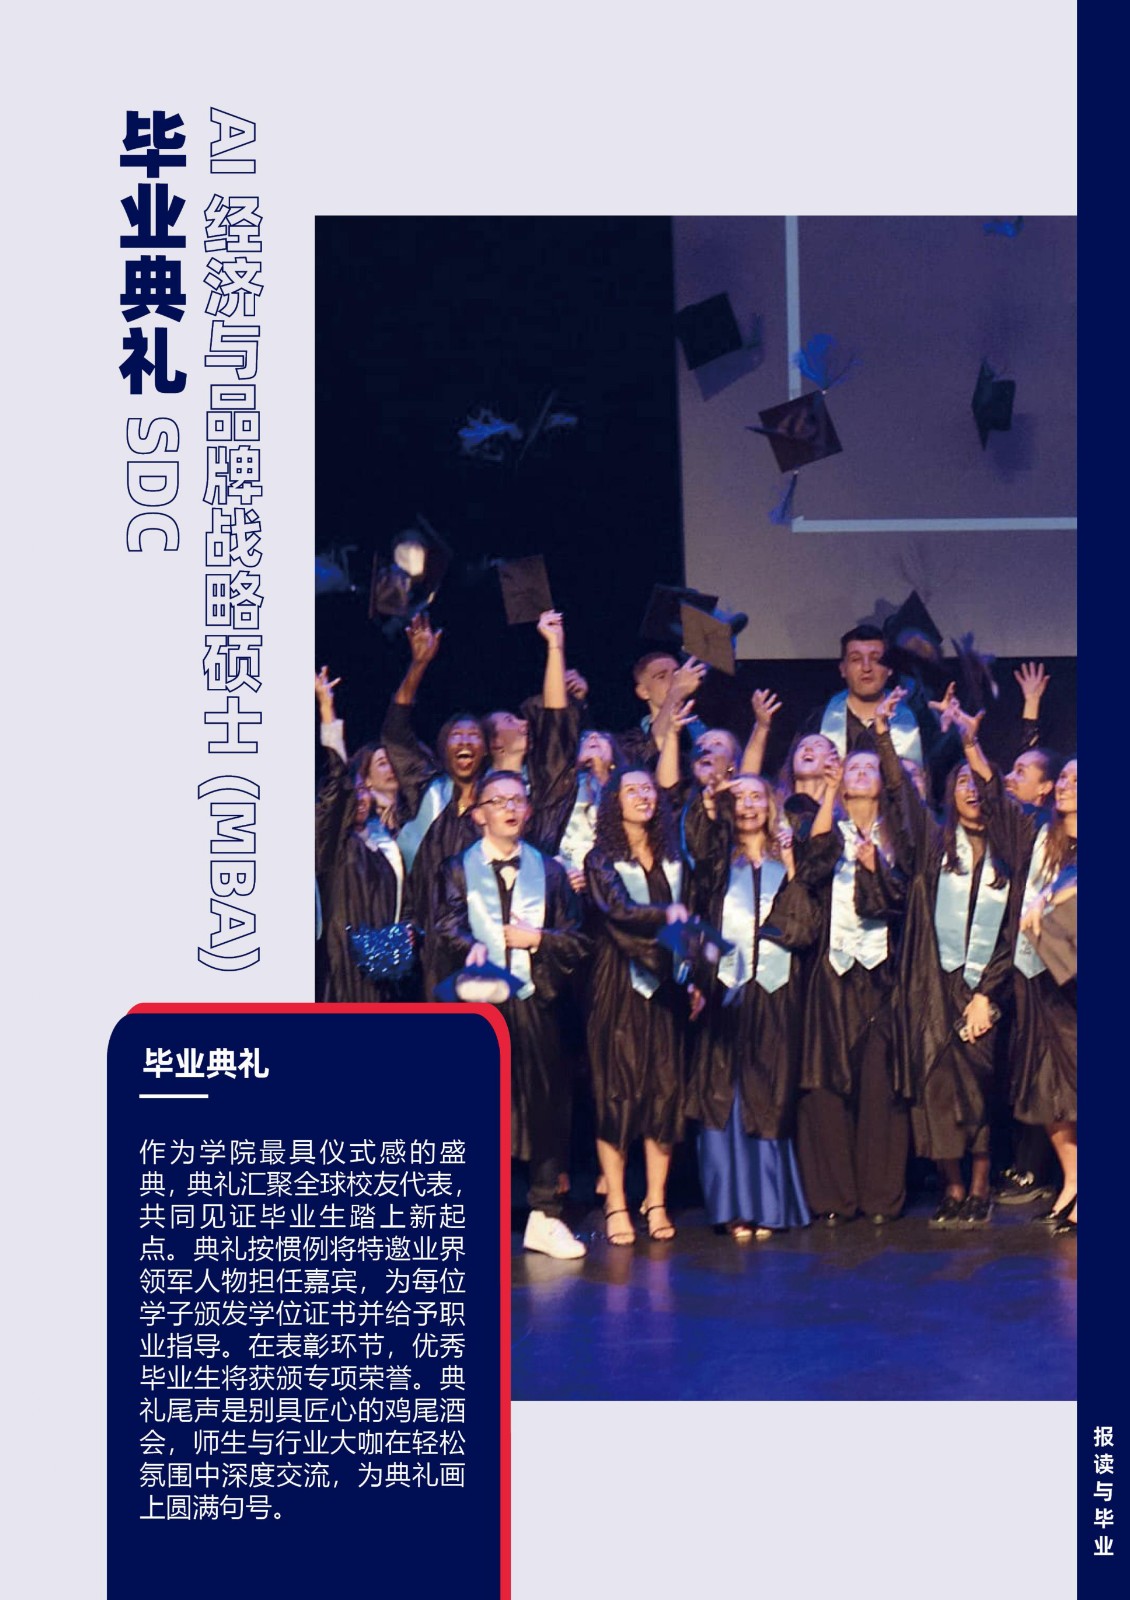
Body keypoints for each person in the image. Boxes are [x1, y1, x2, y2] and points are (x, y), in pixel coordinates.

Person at [434, 768, 590, 1258]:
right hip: (480, 1005)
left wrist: (537, 939)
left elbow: (577, 940)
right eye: (498, 801)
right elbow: (446, 924)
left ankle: (545, 1215)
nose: (509, 808)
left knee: (544, 1106)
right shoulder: (456, 868)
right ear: (479, 814)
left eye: (517, 800)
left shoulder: (550, 872)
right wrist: (469, 946)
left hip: (535, 1000)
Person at [882, 687, 1018, 1227]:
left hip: (985, 986)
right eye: (960, 781)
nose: (970, 789)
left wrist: (988, 992)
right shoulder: (933, 846)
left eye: (977, 782)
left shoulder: (1013, 852)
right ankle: (952, 1185)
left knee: (978, 1088)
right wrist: (883, 735)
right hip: (932, 986)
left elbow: (1011, 933)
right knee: (936, 1089)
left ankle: (981, 1183)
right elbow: (900, 796)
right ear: (948, 792)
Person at [958, 694, 1077, 1235]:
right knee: (1050, 1090)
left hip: (1076, 984)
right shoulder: (1039, 836)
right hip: (1036, 979)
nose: (1069, 784)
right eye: (1066, 777)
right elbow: (996, 798)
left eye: (1076, 779)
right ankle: (1073, 1180)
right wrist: (969, 743)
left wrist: (1052, 898)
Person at [684, 774, 818, 1238]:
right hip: (725, 991)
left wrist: (793, 867)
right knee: (724, 1095)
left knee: (770, 1097)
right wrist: (696, 982)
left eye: (756, 796)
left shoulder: (789, 861)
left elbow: (804, 929)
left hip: (777, 993)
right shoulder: (717, 864)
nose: (747, 805)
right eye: (738, 798)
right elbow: (696, 920)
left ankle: (770, 1206)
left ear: (770, 805)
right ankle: (733, 1207)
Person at [794, 732, 911, 1225]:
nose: (860, 773)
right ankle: (834, 1198)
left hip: (884, 975)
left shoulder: (900, 835)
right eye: (852, 768)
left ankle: (880, 1197)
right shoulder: (829, 826)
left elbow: (907, 899)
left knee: (880, 1084)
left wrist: (876, 866)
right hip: (832, 972)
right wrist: (829, 793)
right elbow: (810, 865)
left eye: (869, 768)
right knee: (826, 1083)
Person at [584, 763, 691, 1244]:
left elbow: (691, 918)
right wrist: (666, 912)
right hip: (617, 983)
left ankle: (657, 1199)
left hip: (667, 985)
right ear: (614, 802)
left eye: (648, 788)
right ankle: (616, 1203)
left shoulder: (674, 858)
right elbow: (618, 911)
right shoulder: (601, 859)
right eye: (631, 790)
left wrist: (695, 973)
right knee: (618, 1093)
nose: (643, 795)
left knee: (664, 1092)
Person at [314, 667, 411, 1002]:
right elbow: (337, 784)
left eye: (362, 791)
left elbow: (403, 902)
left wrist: (408, 932)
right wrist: (327, 710)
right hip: (341, 964)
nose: (359, 798)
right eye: (351, 792)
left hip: (383, 967)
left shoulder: (384, 844)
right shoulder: (332, 843)